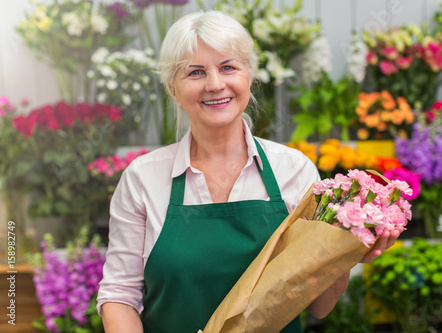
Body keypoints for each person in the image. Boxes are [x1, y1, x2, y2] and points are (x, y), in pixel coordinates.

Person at [97, 10, 402, 333]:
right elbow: (120, 295)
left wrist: (347, 250)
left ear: (249, 77)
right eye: (196, 72)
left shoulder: (293, 171)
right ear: (173, 89)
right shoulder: (143, 178)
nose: (215, 84)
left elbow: (319, 305)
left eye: (228, 67)